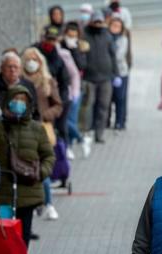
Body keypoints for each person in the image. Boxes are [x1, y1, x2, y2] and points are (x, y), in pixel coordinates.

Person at [0, 85, 55, 248]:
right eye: (15, 100)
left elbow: (49, 156)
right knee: (2, 235)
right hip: (3, 192)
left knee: (23, 237)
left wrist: (41, 173)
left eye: (22, 101)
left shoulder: (36, 128)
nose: (18, 103)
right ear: (8, 102)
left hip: (28, 190)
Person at [21, 47, 62, 221]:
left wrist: (45, 116)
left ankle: (48, 203)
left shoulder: (47, 81)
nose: (31, 62)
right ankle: (36, 202)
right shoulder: (20, 82)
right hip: (22, 130)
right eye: (28, 59)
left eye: (34, 59)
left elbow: (58, 105)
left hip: (42, 130)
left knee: (40, 168)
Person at [83, 11, 120, 142]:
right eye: (95, 21)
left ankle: (100, 133)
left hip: (105, 78)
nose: (98, 24)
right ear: (91, 21)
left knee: (103, 106)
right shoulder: (84, 34)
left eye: (100, 21)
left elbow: (113, 55)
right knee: (88, 106)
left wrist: (116, 74)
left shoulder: (107, 35)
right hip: (89, 78)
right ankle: (86, 132)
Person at [35, 26, 71, 144]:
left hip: (53, 100)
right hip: (38, 99)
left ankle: (63, 152)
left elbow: (64, 81)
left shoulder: (58, 59)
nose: (50, 43)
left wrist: (63, 99)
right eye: (48, 39)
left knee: (60, 128)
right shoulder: (34, 53)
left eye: (53, 40)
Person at [62, 22, 92, 158]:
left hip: (75, 88)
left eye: (74, 35)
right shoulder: (60, 47)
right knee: (63, 119)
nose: (71, 37)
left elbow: (82, 65)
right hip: (62, 88)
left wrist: (74, 50)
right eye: (69, 34)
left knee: (71, 119)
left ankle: (70, 146)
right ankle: (81, 139)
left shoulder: (80, 47)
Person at [0, 51, 41, 121]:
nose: (12, 70)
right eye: (9, 67)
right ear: (1, 68)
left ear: (20, 69)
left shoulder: (28, 86)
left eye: (16, 67)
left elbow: (36, 112)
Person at [108, 15, 131, 130]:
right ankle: (107, 121)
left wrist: (108, 56)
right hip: (108, 72)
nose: (115, 28)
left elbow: (119, 56)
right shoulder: (106, 37)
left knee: (120, 98)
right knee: (108, 98)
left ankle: (119, 122)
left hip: (121, 72)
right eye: (113, 26)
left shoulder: (123, 39)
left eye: (118, 26)